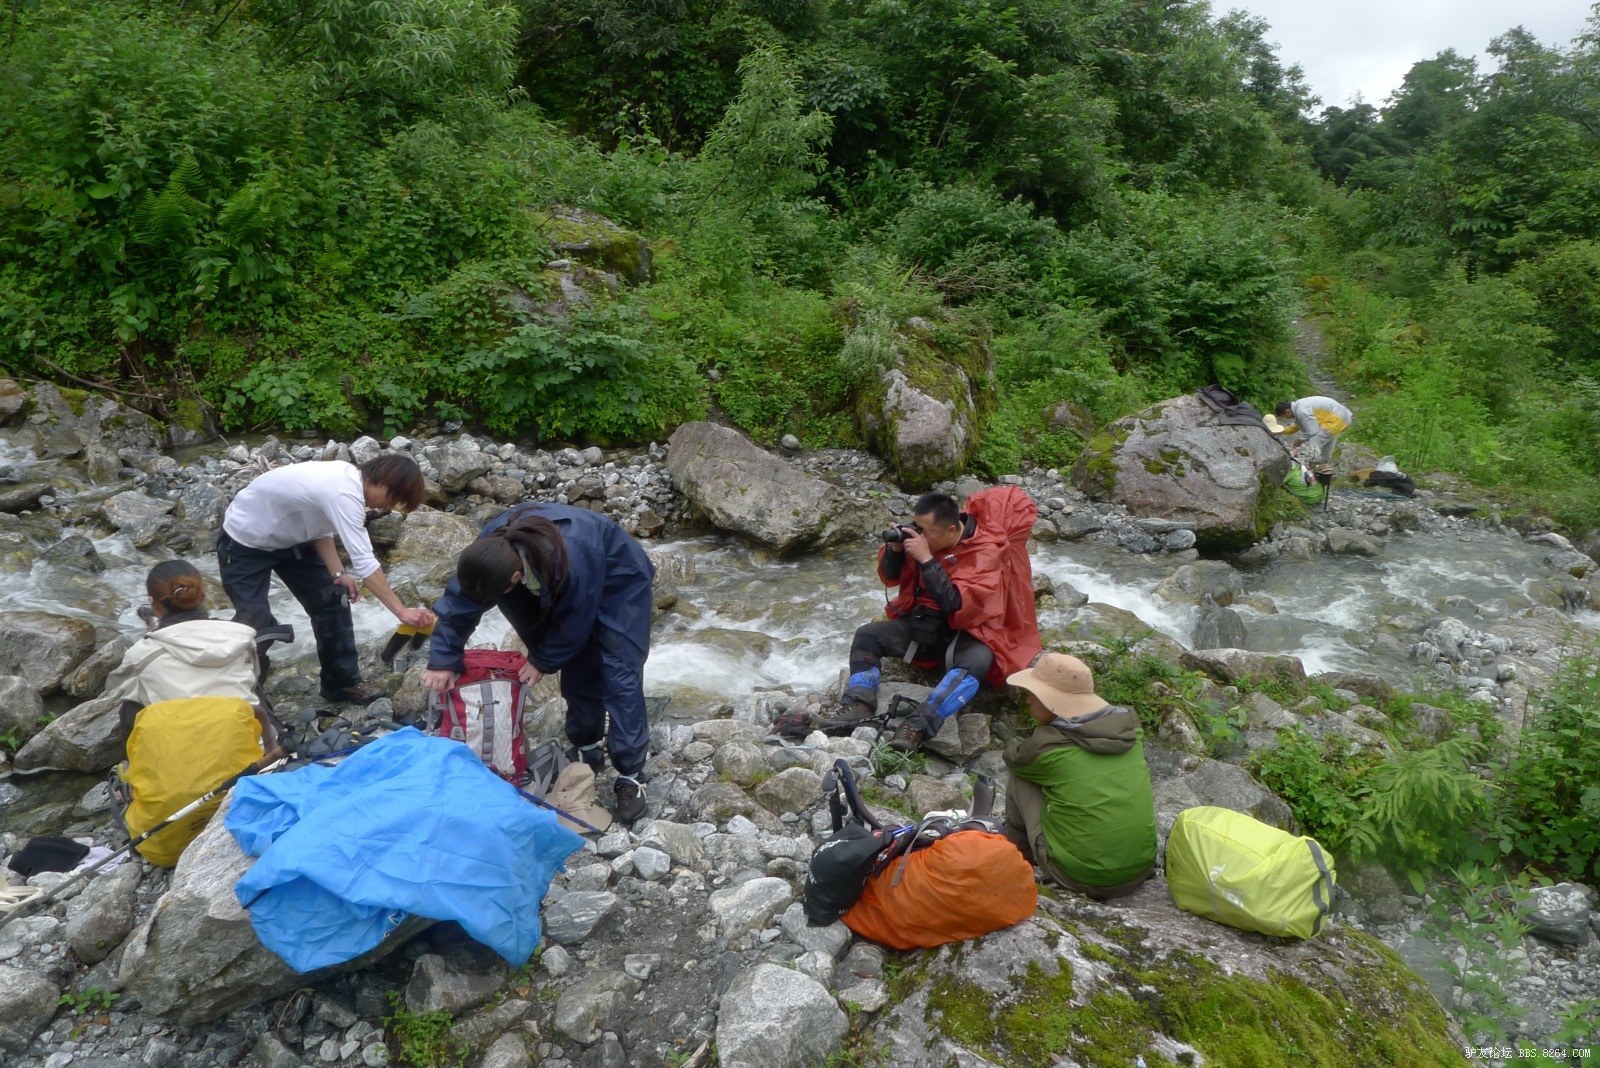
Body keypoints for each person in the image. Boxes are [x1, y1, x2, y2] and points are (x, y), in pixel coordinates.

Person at [422, 503, 656, 823]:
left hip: (618, 580)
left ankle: (631, 773)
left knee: (619, 671)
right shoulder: (489, 554)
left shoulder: (572, 556)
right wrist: (443, 659)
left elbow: (575, 621)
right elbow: (459, 603)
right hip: (549, 577)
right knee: (577, 667)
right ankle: (586, 745)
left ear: (515, 577)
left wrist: (542, 660)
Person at [824, 488, 1042, 753]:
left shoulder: (985, 551)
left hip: (968, 635)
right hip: (925, 627)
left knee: (977, 663)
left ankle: (919, 725)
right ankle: (858, 702)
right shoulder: (935, 538)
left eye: (926, 531)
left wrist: (926, 559)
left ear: (951, 530)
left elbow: (956, 604)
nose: (920, 535)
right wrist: (895, 549)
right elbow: (891, 576)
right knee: (867, 635)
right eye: (918, 527)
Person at [217, 455, 434, 705]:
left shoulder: (347, 484)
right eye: (394, 499)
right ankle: (242, 694)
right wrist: (401, 611)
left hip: (294, 539)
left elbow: (319, 525)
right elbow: (365, 562)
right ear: (383, 481)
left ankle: (341, 683)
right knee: (255, 623)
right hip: (245, 540)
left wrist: (338, 573)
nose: (389, 506)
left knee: (333, 599)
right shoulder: (343, 491)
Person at [1001, 652, 1157, 899]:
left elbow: (1013, 758)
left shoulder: (1046, 748)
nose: (1028, 699)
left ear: (1052, 701)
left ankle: (1016, 860)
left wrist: (1044, 734)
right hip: (1139, 870)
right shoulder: (1130, 732)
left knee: (1021, 777)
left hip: (1079, 876)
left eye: (1034, 694)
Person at [103, 560, 271, 741]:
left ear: (153, 603)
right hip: (250, 751)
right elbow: (254, 677)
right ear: (203, 593)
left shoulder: (142, 653)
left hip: (183, 756)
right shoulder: (241, 637)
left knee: (131, 704)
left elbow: (114, 688)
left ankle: (134, 766)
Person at [1273, 396, 1353, 469]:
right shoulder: (1299, 406)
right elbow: (1298, 425)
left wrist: (1300, 440)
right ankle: (1324, 466)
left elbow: (1312, 431)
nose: (1286, 419)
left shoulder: (1302, 411)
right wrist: (1283, 431)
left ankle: (1313, 465)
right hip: (1340, 417)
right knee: (1327, 442)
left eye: (1284, 417)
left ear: (1287, 411)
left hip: (1335, 419)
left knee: (1314, 441)